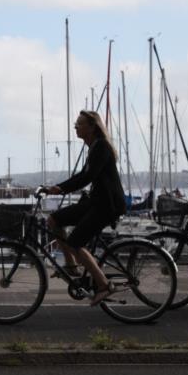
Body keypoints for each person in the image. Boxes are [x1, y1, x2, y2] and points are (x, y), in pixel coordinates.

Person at [40, 110, 127, 305]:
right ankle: (71, 267)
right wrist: (59, 187)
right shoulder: (94, 147)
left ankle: (104, 285)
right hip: (96, 201)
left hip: (107, 205)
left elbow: (87, 177)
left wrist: (61, 188)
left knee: (75, 242)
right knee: (54, 220)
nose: (75, 127)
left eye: (79, 124)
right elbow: (83, 174)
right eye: (75, 124)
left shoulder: (101, 147)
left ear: (92, 127)